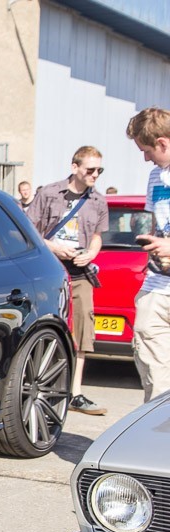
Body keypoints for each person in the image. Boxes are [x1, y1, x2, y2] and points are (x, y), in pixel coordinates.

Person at [26, 145, 109, 415]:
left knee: (82, 332)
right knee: (45, 327)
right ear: (75, 167)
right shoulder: (49, 193)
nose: (95, 175)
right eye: (90, 169)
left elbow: (97, 236)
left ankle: (75, 393)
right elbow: (28, 230)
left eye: (99, 170)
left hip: (80, 273)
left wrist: (91, 253)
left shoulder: (98, 201)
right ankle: (42, 387)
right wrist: (55, 248)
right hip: (50, 270)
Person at [126, 107, 170, 402]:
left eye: (147, 150)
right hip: (157, 286)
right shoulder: (155, 176)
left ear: (163, 143)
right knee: (156, 377)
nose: (145, 158)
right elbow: (156, 222)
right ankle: (159, 426)